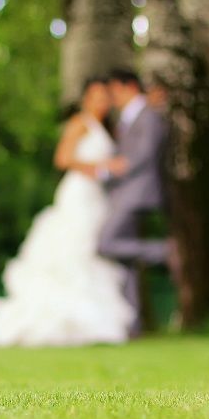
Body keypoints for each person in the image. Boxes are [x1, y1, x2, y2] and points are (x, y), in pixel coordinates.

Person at [0, 78, 134, 347]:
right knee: (71, 250)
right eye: (96, 97)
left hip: (96, 197)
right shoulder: (79, 123)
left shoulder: (108, 128)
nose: (101, 102)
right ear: (85, 99)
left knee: (92, 254)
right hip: (78, 193)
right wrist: (103, 165)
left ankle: (92, 322)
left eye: (105, 97)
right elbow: (63, 159)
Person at [72, 70, 171, 337]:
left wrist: (109, 169)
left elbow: (141, 155)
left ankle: (166, 252)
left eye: (113, 91)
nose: (110, 98)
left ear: (127, 87)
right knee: (125, 263)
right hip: (116, 193)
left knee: (105, 243)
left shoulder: (146, 114)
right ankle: (132, 323)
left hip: (136, 193)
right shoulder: (125, 119)